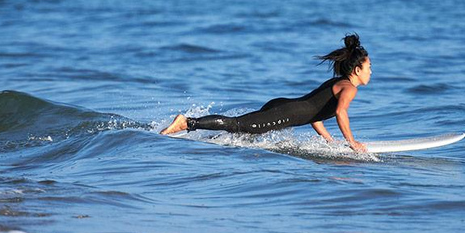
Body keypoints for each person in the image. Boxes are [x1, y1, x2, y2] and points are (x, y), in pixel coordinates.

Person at [159, 34, 372, 152]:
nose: (370, 71)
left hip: (284, 105)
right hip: (287, 112)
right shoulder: (349, 88)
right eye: (368, 67)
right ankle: (188, 123)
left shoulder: (337, 83)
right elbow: (341, 113)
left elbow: (315, 115)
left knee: (242, 131)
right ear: (357, 70)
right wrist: (352, 143)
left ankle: (207, 137)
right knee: (237, 125)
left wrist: (329, 141)